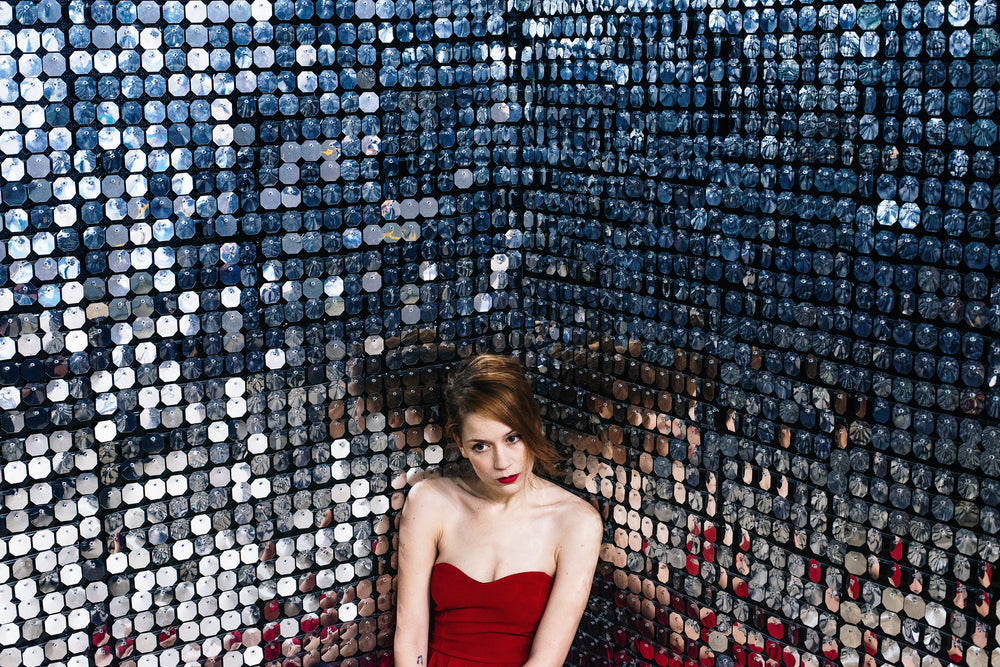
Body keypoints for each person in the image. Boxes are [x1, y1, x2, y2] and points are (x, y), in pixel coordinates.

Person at [394, 354, 603, 667]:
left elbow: (546, 660)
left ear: (533, 427)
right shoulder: (429, 502)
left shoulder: (576, 522)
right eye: (481, 445)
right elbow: (410, 636)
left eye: (513, 438)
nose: (502, 462)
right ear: (460, 445)